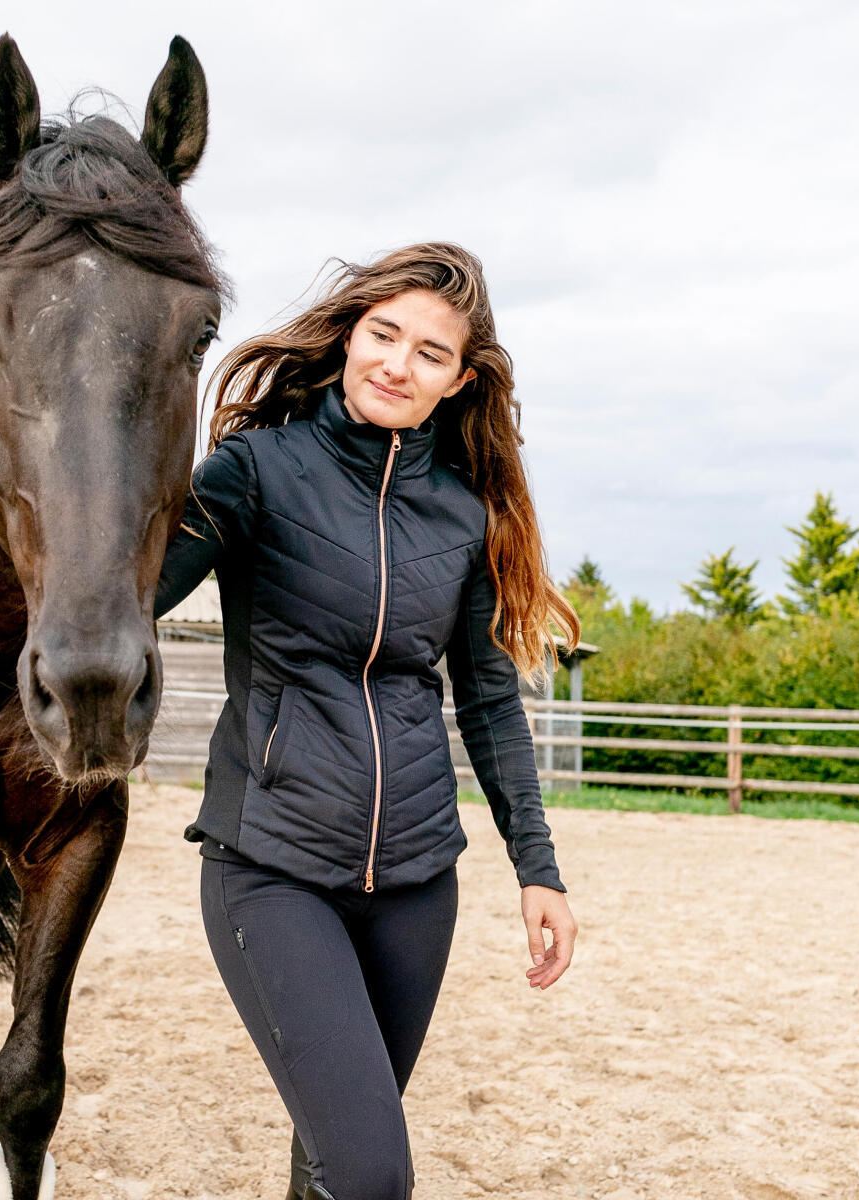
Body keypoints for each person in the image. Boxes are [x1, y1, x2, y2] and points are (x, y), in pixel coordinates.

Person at [154, 242, 580, 1200]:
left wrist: (537, 867)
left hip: (419, 883)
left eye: (430, 352)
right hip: (271, 866)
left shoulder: (465, 514)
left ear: (459, 380)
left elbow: (488, 700)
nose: (398, 363)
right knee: (373, 1173)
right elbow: (123, 600)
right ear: (349, 337)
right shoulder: (254, 470)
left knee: (330, 1163)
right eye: (384, 334)